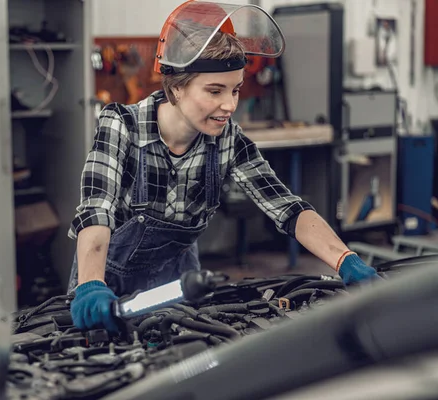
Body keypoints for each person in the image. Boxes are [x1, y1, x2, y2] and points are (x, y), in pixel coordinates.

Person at [67, 1, 380, 333]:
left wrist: (345, 260)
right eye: (214, 91)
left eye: (235, 90)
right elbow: (96, 209)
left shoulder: (227, 139)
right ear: (175, 86)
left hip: (177, 287)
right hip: (106, 287)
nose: (229, 105)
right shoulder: (122, 126)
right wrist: (90, 284)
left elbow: (285, 207)